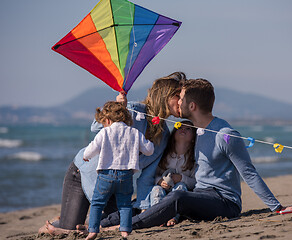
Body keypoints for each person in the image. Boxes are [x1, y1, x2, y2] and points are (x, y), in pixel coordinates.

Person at [131, 78, 292, 229]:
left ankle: (130, 225)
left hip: (224, 202)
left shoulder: (225, 135)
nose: (177, 102)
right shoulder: (196, 132)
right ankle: (106, 222)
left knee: (178, 197)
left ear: (192, 106)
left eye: (180, 98)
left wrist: (277, 208)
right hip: (199, 195)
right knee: (140, 203)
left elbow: (249, 173)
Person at [39, 72, 187, 235]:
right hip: (84, 174)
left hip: (117, 186)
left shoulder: (164, 136)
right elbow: (95, 128)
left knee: (127, 215)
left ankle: (73, 219)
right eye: (178, 97)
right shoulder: (130, 110)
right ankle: (60, 222)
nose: (182, 102)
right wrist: (119, 110)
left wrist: (145, 208)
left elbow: (147, 177)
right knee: (67, 229)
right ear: (164, 96)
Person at [83, 101, 154, 239]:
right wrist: (149, 141)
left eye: (103, 122)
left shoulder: (105, 132)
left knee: (97, 203)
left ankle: (93, 230)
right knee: (125, 205)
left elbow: (92, 148)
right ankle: (125, 231)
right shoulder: (134, 132)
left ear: (108, 120)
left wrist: (86, 156)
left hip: (106, 175)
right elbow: (149, 150)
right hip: (126, 175)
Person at [150, 120, 197, 226]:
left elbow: (195, 182)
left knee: (180, 187)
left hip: (182, 193)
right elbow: (154, 174)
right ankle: (156, 215)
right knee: (156, 189)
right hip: (163, 190)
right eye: (179, 126)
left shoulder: (193, 158)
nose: (183, 129)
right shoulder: (165, 154)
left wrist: (181, 178)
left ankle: (173, 216)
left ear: (193, 137)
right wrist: (160, 181)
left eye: (188, 128)